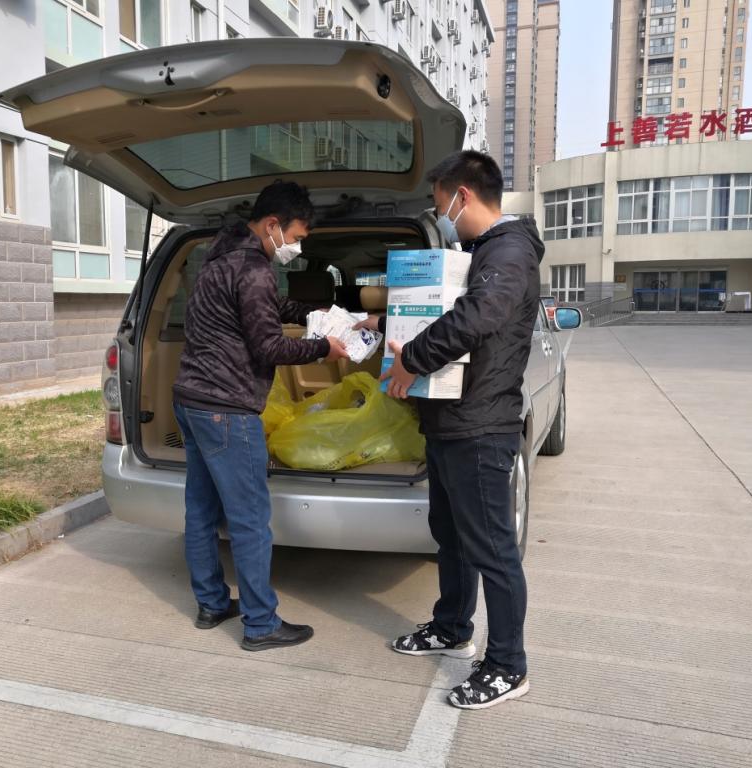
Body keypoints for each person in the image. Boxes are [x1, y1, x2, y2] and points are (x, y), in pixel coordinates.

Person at [356, 150, 542, 709]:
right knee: (452, 535)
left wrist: (410, 360)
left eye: (441, 205)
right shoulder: (481, 253)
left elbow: (476, 317)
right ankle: (452, 626)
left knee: (492, 549)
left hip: (481, 426)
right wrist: (383, 321)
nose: (442, 216)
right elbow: (444, 310)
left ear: (463, 195)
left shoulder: (508, 252)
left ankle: (507, 665)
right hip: (450, 421)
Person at [172, 180, 348, 651]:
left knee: (201, 510)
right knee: (249, 518)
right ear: (273, 225)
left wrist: (317, 314)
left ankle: (212, 603)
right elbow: (269, 346)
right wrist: (324, 347)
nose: (297, 247)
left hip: (191, 399)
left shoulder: (219, 256)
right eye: (297, 237)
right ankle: (260, 624)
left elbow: (267, 309)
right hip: (227, 408)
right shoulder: (253, 269)